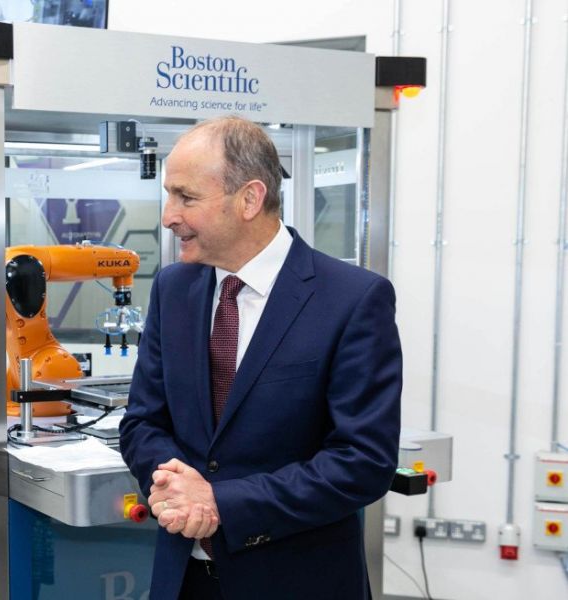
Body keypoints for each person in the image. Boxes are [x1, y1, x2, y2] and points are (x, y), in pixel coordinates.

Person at [119, 116, 402, 600]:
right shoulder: (173, 288)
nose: (168, 215)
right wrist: (173, 487)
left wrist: (222, 501)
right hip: (182, 578)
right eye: (169, 195)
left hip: (295, 581)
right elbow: (142, 422)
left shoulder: (351, 299)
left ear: (249, 199)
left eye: (186, 197)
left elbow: (362, 461)